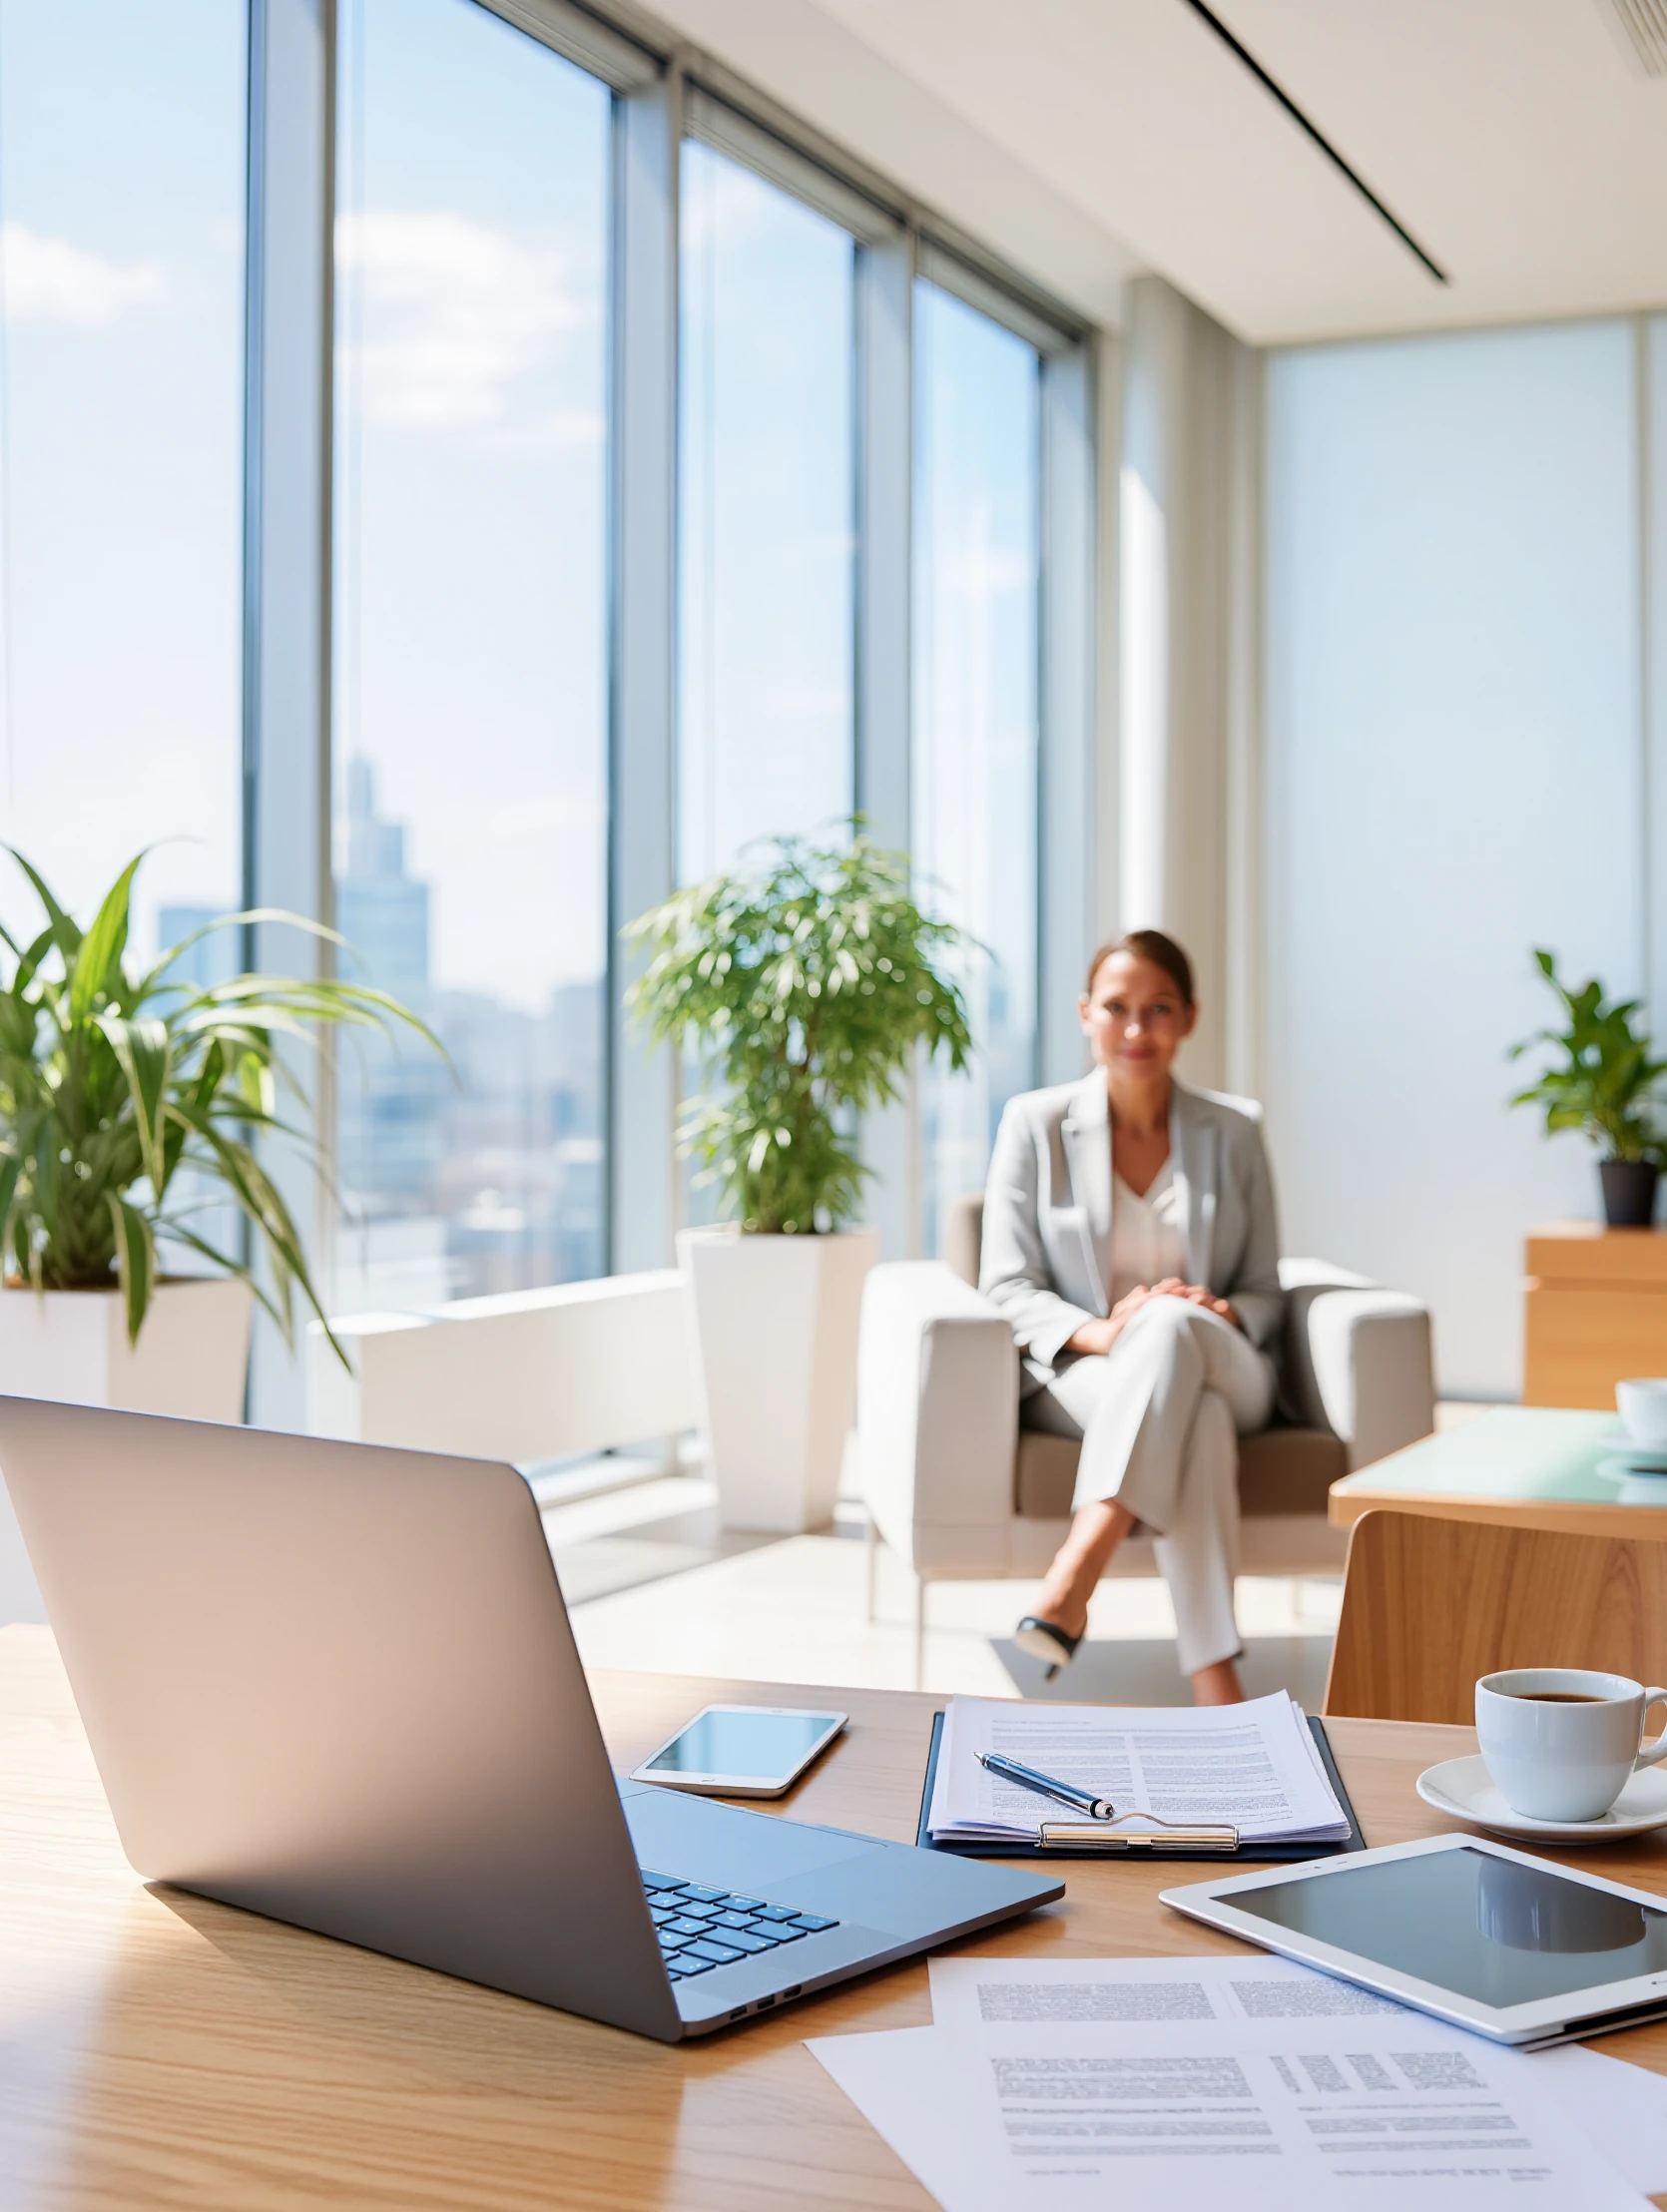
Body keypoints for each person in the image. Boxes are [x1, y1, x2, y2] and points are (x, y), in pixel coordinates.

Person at [979, 929, 1283, 1706]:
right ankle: (1217, 1679)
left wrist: (1217, 1310)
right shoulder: (1034, 1124)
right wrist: (1108, 1332)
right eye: (1117, 1009)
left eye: (1159, 1009)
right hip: (1091, 1366)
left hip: (1226, 1356)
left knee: (1176, 1327)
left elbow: (1265, 1289)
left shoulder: (1235, 1130)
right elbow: (1006, 1285)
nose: (1137, 1030)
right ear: (1086, 1014)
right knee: (1197, 1419)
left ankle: (1076, 1575)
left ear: (1190, 1017)